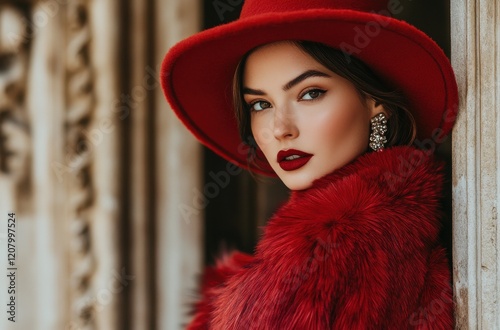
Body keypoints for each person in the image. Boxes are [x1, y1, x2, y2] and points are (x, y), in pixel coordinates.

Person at [161, 0, 458, 328]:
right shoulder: (402, 229)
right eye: (260, 104)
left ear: (375, 102)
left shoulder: (339, 247)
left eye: (310, 93)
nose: (280, 128)